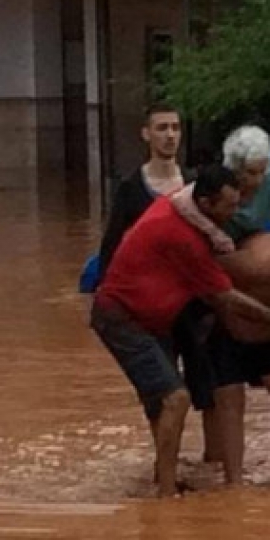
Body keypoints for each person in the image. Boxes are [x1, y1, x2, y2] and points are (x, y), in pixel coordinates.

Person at [91, 165, 270, 496]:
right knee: (176, 398)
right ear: (204, 203)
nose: (236, 213)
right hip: (123, 318)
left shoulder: (182, 206)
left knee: (160, 402)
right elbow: (226, 298)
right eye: (229, 206)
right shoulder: (183, 237)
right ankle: (166, 495)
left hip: (152, 317)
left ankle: (164, 480)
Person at [170, 125, 270, 482]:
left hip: (263, 294)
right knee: (229, 395)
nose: (257, 179)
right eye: (251, 173)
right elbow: (179, 205)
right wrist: (214, 235)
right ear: (234, 170)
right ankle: (234, 483)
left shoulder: (269, 183)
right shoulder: (213, 189)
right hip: (221, 301)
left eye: (262, 170)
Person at [96, 102, 225, 464]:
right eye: (162, 128)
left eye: (175, 128)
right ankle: (166, 465)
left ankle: (215, 466)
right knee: (161, 394)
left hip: (195, 308)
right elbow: (113, 247)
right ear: (146, 134)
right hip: (151, 310)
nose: (170, 135)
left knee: (210, 387)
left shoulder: (196, 185)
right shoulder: (130, 188)